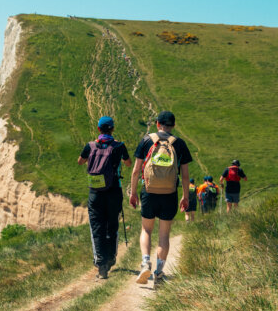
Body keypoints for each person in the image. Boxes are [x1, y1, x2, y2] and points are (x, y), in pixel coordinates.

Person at [128, 111, 192, 285]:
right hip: (170, 194)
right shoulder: (179, 144)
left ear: (158, 124)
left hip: (149, 192)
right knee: (164, 234)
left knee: (146, 230)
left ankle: (145, 262)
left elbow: (136, 170)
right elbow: (185, 176)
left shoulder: (147, 140)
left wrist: (133, 193)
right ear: (173, 125)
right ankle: (159, 271)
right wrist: (185, 197)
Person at [78, 116, 131, 279]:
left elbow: (80, 161)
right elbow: (128, 163)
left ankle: (101, 265)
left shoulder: (90, 145)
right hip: (114, 191)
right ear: (112, 129)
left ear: (99, 129)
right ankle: (110, 258)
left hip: (95, 192)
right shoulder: (119, 146)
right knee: (112, 225)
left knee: (97, 227)